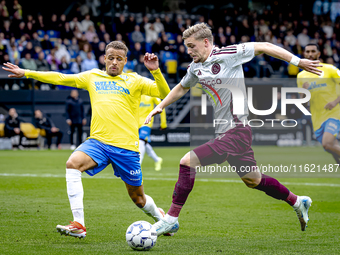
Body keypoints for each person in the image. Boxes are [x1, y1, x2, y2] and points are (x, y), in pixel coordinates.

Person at [145, 23, 322, 236]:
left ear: (206, 42)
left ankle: (171, 219)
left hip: (236, 131)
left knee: (187, 161)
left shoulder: (229, 54)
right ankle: (297, 201)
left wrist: (298, 61)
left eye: (192, 46)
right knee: (253, 180)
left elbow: (264, 46)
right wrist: (160, 105)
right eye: (187, 47)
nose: (188, 51)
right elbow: (183, 86)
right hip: (228, 133)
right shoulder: (196, 67)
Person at [2, 41, 170, 239]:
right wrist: (28, 73)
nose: (114, 62)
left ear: (125, 61)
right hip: (98, 142)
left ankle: (160, 217)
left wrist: (156, 72)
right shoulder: (92, 76)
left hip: (125, 148)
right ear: (104, 58)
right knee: (72, 164)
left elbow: (165, 94)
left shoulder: (135, 80)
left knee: (138, 199)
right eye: (110, 58)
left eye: (119, 59)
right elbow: (61, 77)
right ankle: (79, 223)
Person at [297, 43, 340, 163]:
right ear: (304, 54)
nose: (310, 54)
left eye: (313, 51)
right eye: (307, 52)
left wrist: (335, 102)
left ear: (319, 54)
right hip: (317, 119)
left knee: (327, 144)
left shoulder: (330, 69)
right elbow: (302, 103)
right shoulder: (301, 76)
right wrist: (304, 92)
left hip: (333, 114)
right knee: (331, 149)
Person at [139, 95, 167, 171]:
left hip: (146, 123)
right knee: (144, 143)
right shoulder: (135, 92)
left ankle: (138, 165)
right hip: (135, 123)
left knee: (141, 141)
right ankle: (157, 159)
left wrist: (163, 123)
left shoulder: (151, 94)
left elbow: (162, 106)